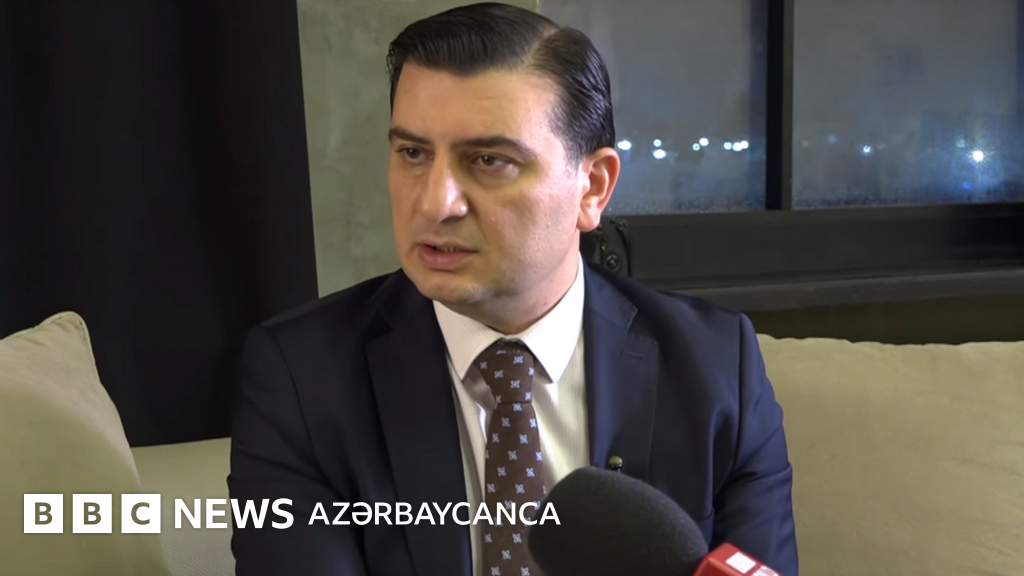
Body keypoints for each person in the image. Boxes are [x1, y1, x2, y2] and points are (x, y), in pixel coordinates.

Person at [227, 3, 798, 575]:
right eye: (413, 154)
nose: (435, 204)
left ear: (592, 187)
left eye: (488, 160)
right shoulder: (302, 377)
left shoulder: (716, 366)